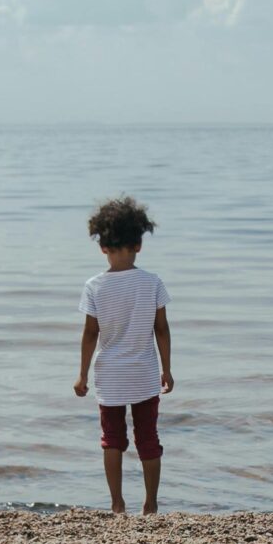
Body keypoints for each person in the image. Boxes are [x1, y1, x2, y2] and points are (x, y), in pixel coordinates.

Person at [73, 195, 174, 513]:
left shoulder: (95, 287)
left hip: (110, 376)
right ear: (139, 244)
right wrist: (167, 370)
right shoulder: (151, 282)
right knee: (148, 438)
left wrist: (82, 374)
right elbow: (162, 330)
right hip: (144, 374)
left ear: (102, 246)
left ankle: (117, 503)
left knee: (112, 439)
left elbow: (91, 334)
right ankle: (151, 503)